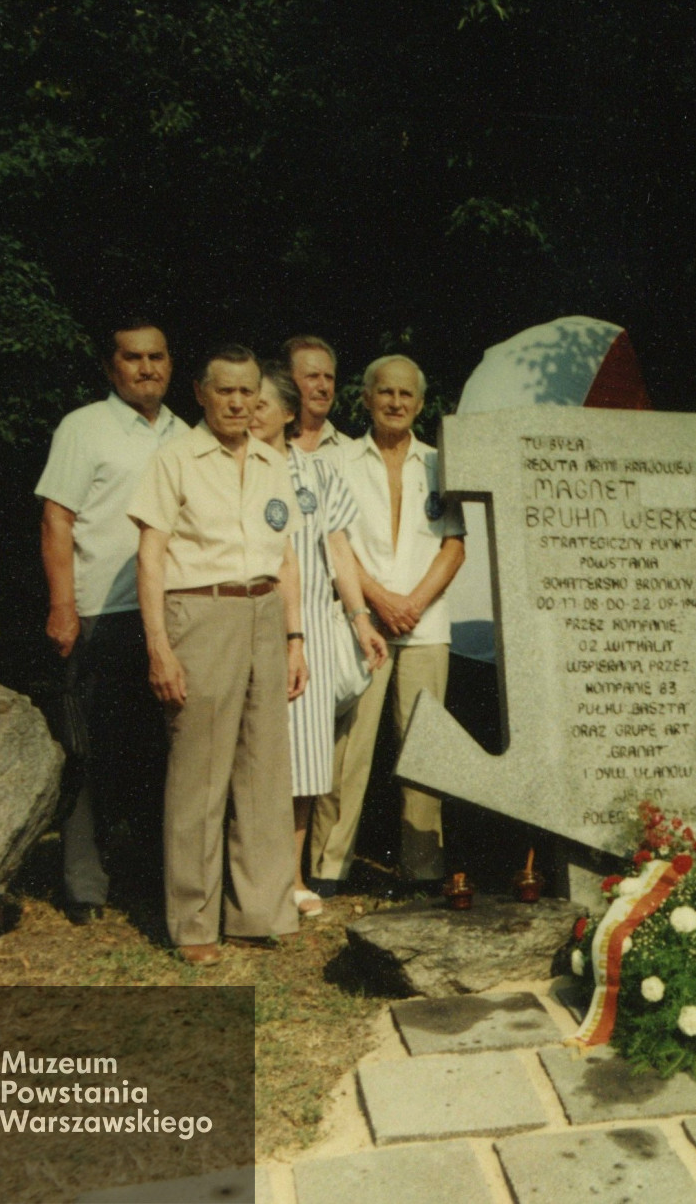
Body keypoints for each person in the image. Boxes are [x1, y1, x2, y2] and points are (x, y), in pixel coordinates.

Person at [128, 345, 308, 964]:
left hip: (263, 612)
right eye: (226, 391)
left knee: (264, 769)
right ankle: (194, 920)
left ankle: (262, 909)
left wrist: (294, 638)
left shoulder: (271, 461)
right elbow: (149, 556)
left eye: (249, 392)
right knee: (200, 774)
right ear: (201, 394)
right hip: (200, 613)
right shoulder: (174, 459)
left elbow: (286, 558)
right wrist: (159, 647)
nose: (239, 403)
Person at [35, 320, 189, 925]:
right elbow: (56, 521)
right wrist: (62, 604)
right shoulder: (83, 428)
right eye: (133, 358)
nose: (146, 368)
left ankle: (151, 874)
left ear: (171, 364)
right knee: (89, 750)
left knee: (160, 751)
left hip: (173, 614)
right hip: (101, 610)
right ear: (110, 367)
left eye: (156, 356)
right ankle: (84, 886)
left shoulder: (186, 433)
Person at [311, 354, 467, 894]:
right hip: (363, 623)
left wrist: (415, 603)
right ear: (367, 398)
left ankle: (423, 867)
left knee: (425, 749)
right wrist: (381, 602)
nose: (396, 403)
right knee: (347, 749)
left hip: (426, 625)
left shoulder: (439, 463)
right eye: (386, 393)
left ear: (421, 405)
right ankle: (328, 865)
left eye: (406, 395)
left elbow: (453, 546)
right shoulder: (340, 461)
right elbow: (335, 543)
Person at [249, 365, 387, 918]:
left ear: (287, 413)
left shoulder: (318, 474)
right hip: (250, 624)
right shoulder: (230, 468)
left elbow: (338, 551)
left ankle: (293, 877)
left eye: (261, 405)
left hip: (308, 633)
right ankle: (248, 880)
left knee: (305, 760)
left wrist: (360, 619)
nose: (249, 413)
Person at [285, 335, 349, 454]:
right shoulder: (268, 444)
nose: (324, 387)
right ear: (289, 380)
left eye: (329, 378)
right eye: (313, 376)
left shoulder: (349, 450)